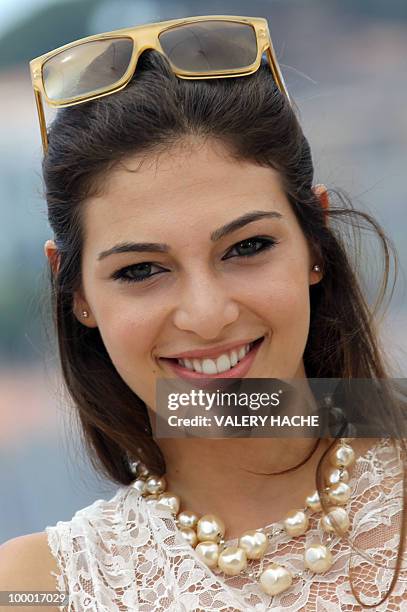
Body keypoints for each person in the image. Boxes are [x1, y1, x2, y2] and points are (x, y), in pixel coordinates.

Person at [0, 14, 406, 611]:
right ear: (77, 291)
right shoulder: (33, 585)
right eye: (140, 270)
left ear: (315, 240)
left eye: (247, 248)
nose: (207, 314)